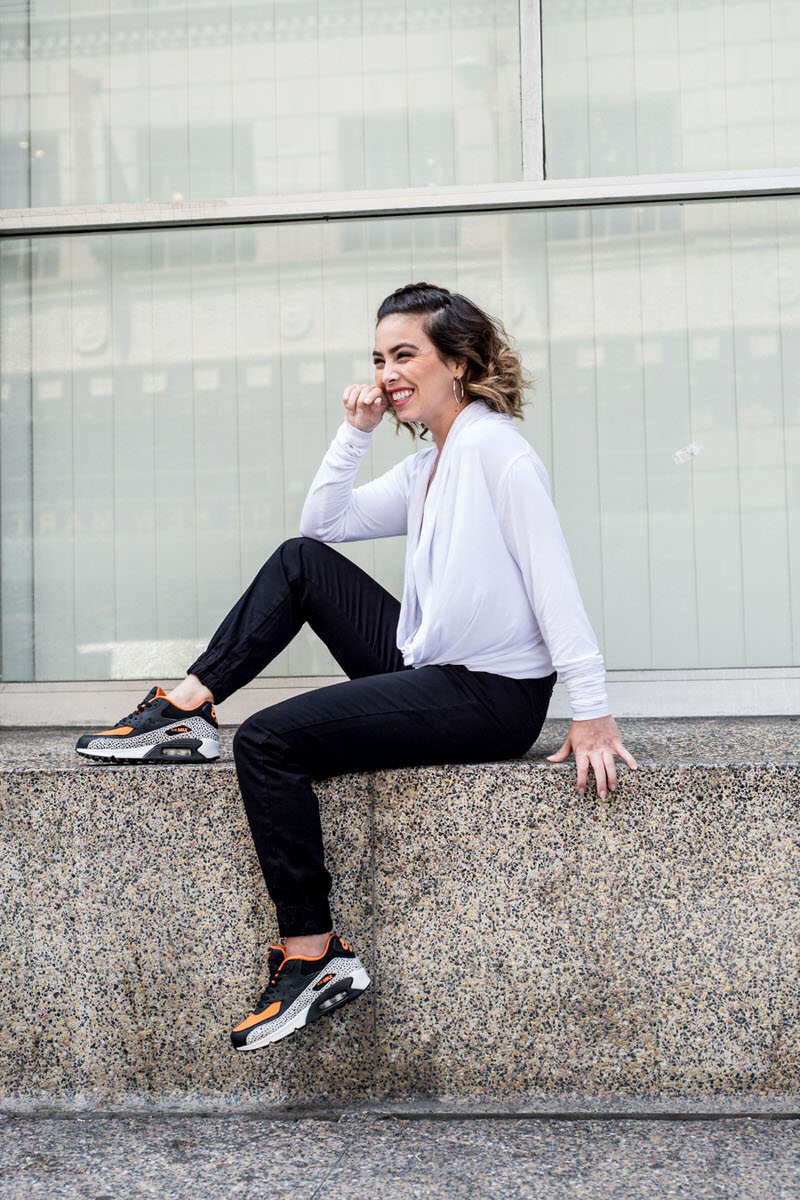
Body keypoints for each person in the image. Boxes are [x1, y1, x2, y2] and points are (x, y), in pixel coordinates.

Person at [75, 281, 638, 1052]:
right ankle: (189, 706)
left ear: (460, 363)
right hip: (431, 665)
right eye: (378, 358)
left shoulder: (497, 452)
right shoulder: (433, 463)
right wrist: (357, 431)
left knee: (268, 742)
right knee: (302, 561)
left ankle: (315, 957)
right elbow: (324, 523)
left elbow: (554, 581)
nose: (386, 372)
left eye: (405, 354)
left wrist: (592, 708)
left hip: (489, 696)